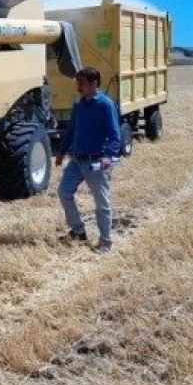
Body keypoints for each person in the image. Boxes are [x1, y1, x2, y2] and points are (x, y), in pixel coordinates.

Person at [54, 67, 122, 253]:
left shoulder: (106, 105)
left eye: (81, 83)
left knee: (101, 203)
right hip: (77, 160)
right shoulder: (79, 105)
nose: (78, 86)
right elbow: (72, 131)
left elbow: (115, 136)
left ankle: (105, 241)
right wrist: (61, 152)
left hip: (97, 162)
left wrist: (107, 157)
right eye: (77, 82)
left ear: (94, 84)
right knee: (64, 192)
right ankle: (78, 231)